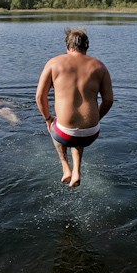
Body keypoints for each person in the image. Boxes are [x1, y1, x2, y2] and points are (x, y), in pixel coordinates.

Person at [36, 27, 114, 188]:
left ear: (68, 46)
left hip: (64, 134)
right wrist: (96, 118)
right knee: (79, 132)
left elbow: (39, 97)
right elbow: (108, 101)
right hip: (91, 132)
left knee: (54, 126)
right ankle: (77, 171)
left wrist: (48, 119)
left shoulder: (54, 63)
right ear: (86, 46)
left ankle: (65, 166)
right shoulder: (100, 67)